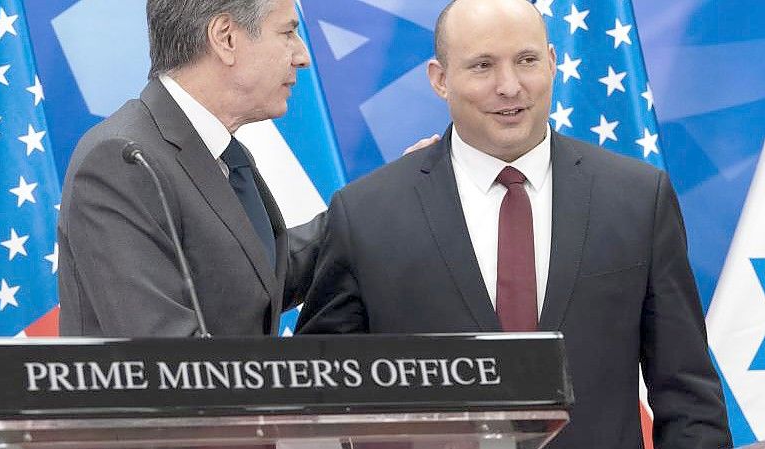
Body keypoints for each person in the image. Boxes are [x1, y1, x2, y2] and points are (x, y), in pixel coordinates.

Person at [296, 0, 732, 447]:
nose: (510, 87)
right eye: (483, 66)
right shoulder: (366, 214)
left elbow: (689, 401)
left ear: (553, 63)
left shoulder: (639, 198)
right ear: (440, 80)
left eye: (526, 60)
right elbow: (317, 403)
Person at [58, 0, 323, 337]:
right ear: (225, 38)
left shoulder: (222, 153)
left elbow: (259, 279)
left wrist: (385, 198)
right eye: (287, 33)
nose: (302, 57)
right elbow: (165, 359)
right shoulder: (123, 160)